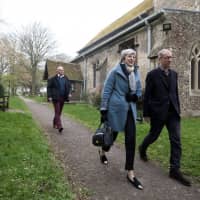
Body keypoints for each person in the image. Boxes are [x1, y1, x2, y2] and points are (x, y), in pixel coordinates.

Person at [138, 49, 191, 186]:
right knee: (153, 136)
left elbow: (175, 93)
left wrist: (178, 108)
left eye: (171, 57)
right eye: (167, 57)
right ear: (160, 58)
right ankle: (142, 148)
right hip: (158, 113)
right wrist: (146, 114)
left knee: (176, 140)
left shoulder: (174, 74)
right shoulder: (152, 75)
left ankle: (174, 170)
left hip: (173, 113)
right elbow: (147, 96)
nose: (170, 60)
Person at [99, 48, 143, 190]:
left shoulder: (136, 71)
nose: (132, 59)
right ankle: (103, 150)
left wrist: (135, 96)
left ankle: (130, 172)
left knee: (131, 140)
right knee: (111, 137)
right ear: (124, 58)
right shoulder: (115, 72)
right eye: (130, 56)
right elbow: (106, 91)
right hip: (116, 110)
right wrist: (104, 110)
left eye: (134, 56)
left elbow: (139, 90)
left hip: (130, 110)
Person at [47, 65, 71, 133]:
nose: (61, 71)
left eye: (62, 70)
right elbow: (49, 88)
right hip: (55, 97)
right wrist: (49, 96)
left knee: (59, 112)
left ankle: (54, 123)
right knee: (57, 111)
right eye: (60, 70)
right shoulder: (53, 79)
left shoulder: (66, 78)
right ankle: (59, 126)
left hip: (63, 97)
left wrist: (69, 93)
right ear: (57, 71)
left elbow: (69, 86)